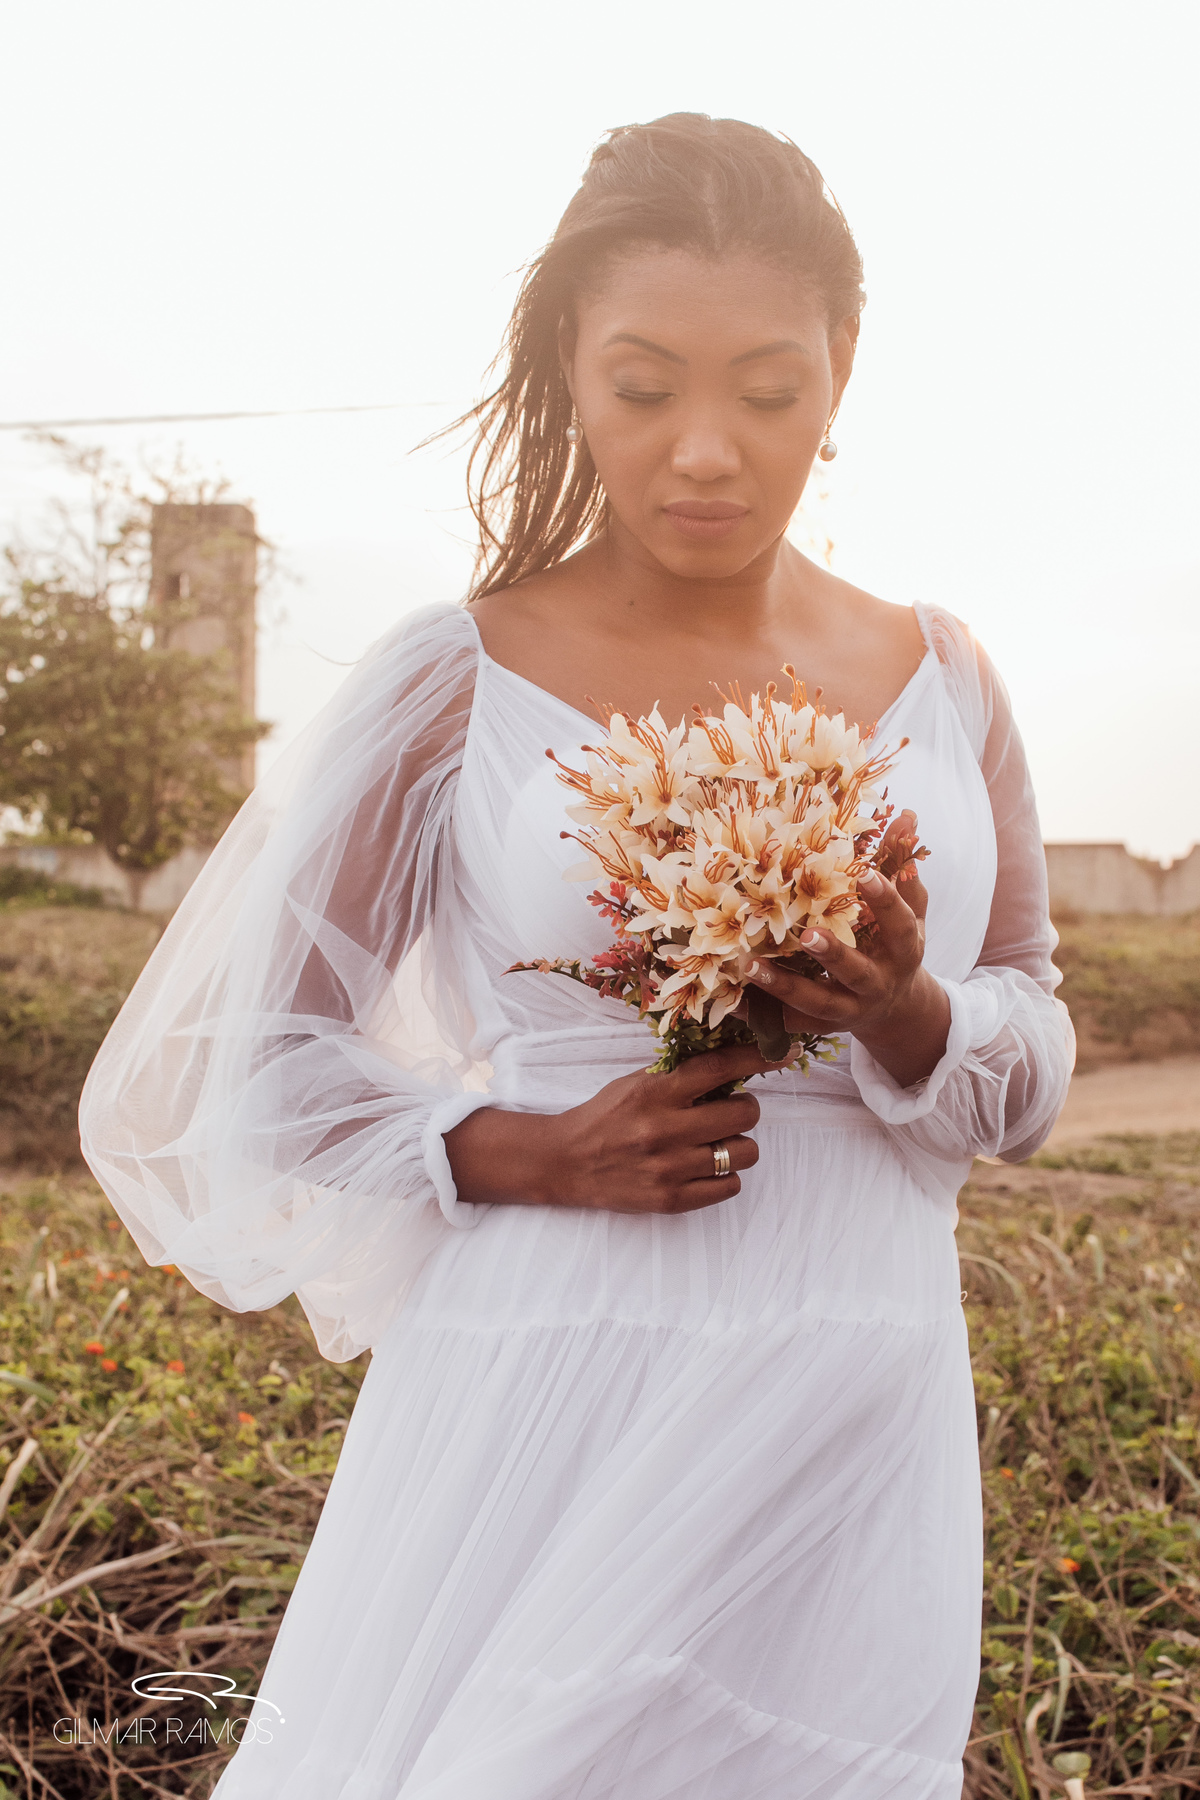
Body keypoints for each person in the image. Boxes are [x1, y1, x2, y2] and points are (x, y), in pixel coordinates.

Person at [79, 112, 1075, 1799]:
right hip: (555, 1380)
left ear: (845, 369)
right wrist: (521, 1147)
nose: (706, 448)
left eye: (767, 391)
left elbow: (1036, 1045)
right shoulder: (453, 680)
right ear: (566, 368)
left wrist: (909, 1011)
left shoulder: (947, 677)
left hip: (859, 1387)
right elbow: (249, 1070)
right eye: (643, 386)